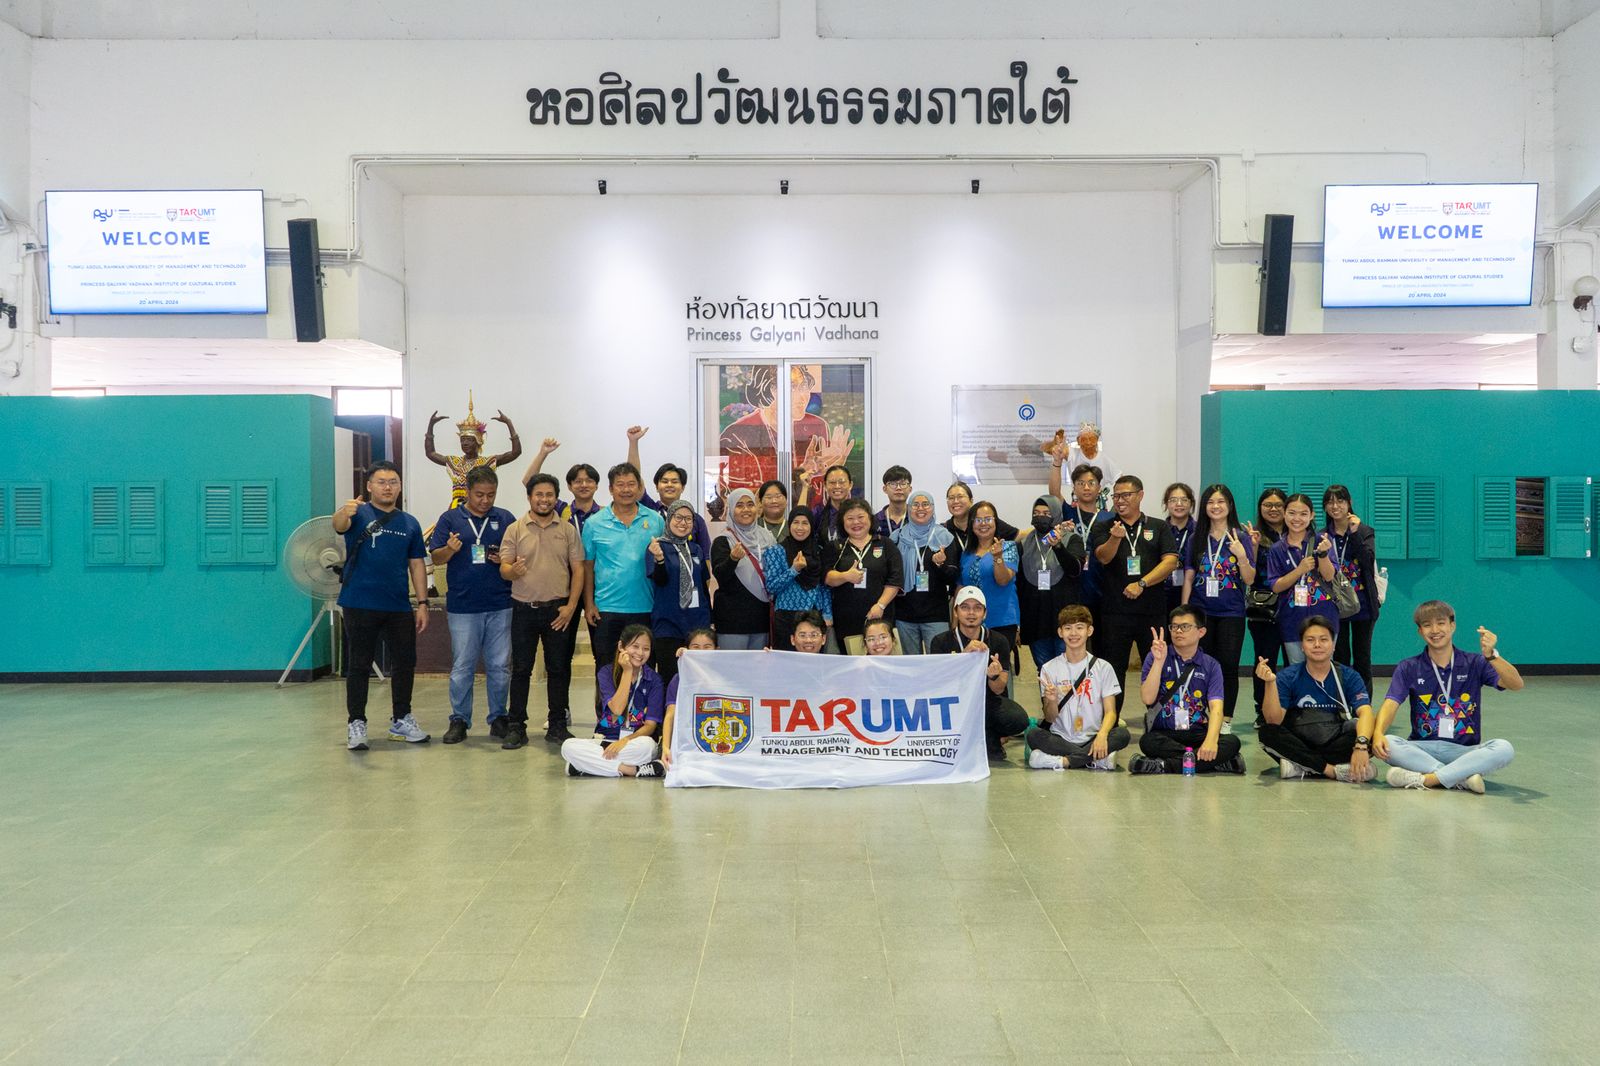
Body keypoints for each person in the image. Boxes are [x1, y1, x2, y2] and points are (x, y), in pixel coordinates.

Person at [1373, 600, 1524, 793]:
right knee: (1389, 743)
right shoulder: (1408, 667)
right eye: (1427, 625)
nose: (1435, 630)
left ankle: (1428, 779)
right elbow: (1391, 703)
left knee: (1504, 748)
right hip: (1422, 749)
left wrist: (1491, 656)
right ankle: (1461, 778)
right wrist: (1378, 733)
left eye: (1441, 623)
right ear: (1420, 631)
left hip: (1464, 751)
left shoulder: (1474, 662)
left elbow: (1516, 684)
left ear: (1452, 626)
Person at [333, 462, 430, 749]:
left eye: (393, 482)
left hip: (398, 606)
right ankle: (356, 723)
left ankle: (401, 719)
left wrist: (422, 603)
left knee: (404, 663)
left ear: (399, 486)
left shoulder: (410, 523)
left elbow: (416, 564)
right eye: (381, 482)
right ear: (369, 486)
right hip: (359, 602)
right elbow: (338, 526)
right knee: (359, 664)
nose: (388, 487)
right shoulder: (358, 513)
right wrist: (343, 511)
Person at [427, 466, 517, 745]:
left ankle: (499, 717)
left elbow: (516, 557)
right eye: (479, 495)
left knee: (500, 666)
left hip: (500, 603)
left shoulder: (505, 518)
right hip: (463, 606)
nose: (485, 500)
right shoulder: (450, 518)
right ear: (467, 492)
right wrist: (450, 550)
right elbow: (436, 558)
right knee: (463, 666)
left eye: (491, 495)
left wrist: (504, 560)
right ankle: (459, 719)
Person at [498, 472, 585, 749]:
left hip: (558, 611)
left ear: (556, 498)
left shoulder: (568, 530)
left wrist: (571, 607)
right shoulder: (515, 529)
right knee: (521, 669)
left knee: (558, 668)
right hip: (523, 609)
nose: (544, 499)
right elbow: (504, 568)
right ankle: (516, 726)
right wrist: (513, 571)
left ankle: (557, 725)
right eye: (539, 494)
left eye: (549, 495)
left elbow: (578, 570)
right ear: (529, 497)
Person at [1089, 475, 1180, 712]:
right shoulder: (1104, 526)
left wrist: (1142, 583)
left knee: (1156, 666)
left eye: (1126, 495)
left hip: (1151, 612)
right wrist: (1114, 538)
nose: (1120, 501)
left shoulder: (1158, 526)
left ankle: (1159, 718)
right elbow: (1103, 557)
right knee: (1113, 669)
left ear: (1140, 495)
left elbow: (1170, 562)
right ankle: (1111, 720)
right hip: (1114, 612)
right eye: (1116, 496)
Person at [1255, 616, 1375, 782]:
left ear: (1333, 645)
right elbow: (1273, 720)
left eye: (1323, 640)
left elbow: (1366, 712)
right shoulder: (1287, 676)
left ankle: (1300, 765)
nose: (1317, 645)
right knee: (1268, 732)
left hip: (1333, 741)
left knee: (1372, 734)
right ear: (1302, 646)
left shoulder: (1349, 676)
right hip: (1299, 741)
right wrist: (1270, 683)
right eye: (1310, 640)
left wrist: (1361, 746)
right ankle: (1331, 770)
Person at [1130, 607, 1246, 774]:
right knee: (1148, 742)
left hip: (1197, 732)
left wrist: (1210, 741)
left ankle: (1163, 765)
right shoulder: (1156, 656)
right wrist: (1158, 662)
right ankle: (1212, 763)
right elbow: (1147, 699)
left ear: (1201, 632)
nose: (1178, 631)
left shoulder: (1211, 665)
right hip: (1164, 732)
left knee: (1232, 742)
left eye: (1185, 627)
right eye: (1174, 626)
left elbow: (1216, 708)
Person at [580, 462, 665, 671]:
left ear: (639, 487)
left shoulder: (655, 520)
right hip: (606, 609)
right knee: (606, 668)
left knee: (643, 667)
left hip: (645, 607)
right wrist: (589, 604)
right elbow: (588, 567)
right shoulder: (594, 523)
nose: (626, 489)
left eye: (631, 484)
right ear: (611, 489)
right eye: (620, 484)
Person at [930, 587, 1030, 762]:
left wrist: (993, 676)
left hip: (987, 700)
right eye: (965, 607)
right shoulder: (940, 641)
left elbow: (998, 689)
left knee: (1018, 719)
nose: (971, 613)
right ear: (955, 612)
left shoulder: (999, 640)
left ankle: (991, 736)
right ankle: (981, 740)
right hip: (954, 701)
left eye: (977, 608)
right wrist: (964, 657)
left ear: (984, 613)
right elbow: (940, 684)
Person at [1025, 605, 1128, 771]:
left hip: (1093, 737)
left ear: (1090, 631)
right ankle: (1095, 760)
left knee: (1122, 734)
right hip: (1060, 738)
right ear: (1060, 632)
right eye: (1068, 628)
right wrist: (1051, 701)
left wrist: (1102, 735)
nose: (1073, 633)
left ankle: (1063, 762)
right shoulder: (1049, 668)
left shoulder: (1103, 667)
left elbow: (1110, 712)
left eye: (1079, 627)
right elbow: (1050, 718)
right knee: (1034, 735)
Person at [1190, 484, 1257, 735]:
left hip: (1231, 612)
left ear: (1229, 505)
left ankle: (1225, 719)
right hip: (1201, 612)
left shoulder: (1240, 537)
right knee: (1202, 666)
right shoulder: (1196, 538)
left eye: (1220, 501)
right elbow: (1189, 576)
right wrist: (1185, 613)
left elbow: (1249, 578)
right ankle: (1203, 716)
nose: (1215, 506)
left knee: (1228, 666)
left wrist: (1242, 556)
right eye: (1210, 502)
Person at [561, 625, 665, 779]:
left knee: (648, 747)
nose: (640, 653)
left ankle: (587, 766)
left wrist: (625, 741)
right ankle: (632, 770)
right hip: (604, 741)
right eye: (635, 646)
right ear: (621, 646)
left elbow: (650, 726)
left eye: (646, 649)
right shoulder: (606, 673)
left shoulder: (654, 680)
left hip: (633, 742)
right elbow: (617, 709)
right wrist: (627, 671)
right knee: (568, 746)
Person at [1264, 493, 1338, 664]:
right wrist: (1300, 570)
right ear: (1284, 514)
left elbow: (1329, 576)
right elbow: (1275, 586)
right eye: (1292, 513)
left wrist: (1323, 554)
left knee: (1323, 667)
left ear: (1312, 515)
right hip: (1292, 619)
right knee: (1296, 669)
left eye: (1303, 514)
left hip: (1324, 615)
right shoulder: (1277, 549)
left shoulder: (1322, 540)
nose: (1297, 519)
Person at [1015, 494, 1084, 671]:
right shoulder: (1024, 543)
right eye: (1036, 513)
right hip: (1035, 621)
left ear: (1056, 514)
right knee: (1044, 671)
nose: (1040, 517)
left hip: (1065, 620)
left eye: (1046, 513)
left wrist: (1058, 547)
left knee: (1068, 670)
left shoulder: (1072, 539)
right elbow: (1019, 584)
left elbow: (1075, 570)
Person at [825, 498, 903, 655]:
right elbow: (827, 577)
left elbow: (895, 580)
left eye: (860, 517)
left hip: (880, 616)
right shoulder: (836, 547)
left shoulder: (885, 544)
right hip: (846, 618)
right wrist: (846, 576)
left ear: (870, 518)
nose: (856, 522)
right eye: (850, 518)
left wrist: (880, 606)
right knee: (851, 663)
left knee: (882, 659)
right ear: (842, 521)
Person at [1323, 485, 1381, 693]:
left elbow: (1367, 561)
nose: (1335, 506)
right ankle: (1343, 702)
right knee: (1339, 656)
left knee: (1362, 657)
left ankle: (1363, 704)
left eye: (1340, 501)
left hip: (1363, 604)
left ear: (1349, 503)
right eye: (1330, 502)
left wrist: (1354, 533)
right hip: (1334, 603)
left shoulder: (1364, 531)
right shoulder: (1323, 536)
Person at [646, 500, 712, 682]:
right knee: (671, 679)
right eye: (678, 517)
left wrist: (710, 620)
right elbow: (659, 580)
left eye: (688, 519)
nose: (683, 523)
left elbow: (703, 586)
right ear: (669, 519)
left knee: (698, 679)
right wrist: (659, 559)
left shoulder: (696, 549)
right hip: (668, 624)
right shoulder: (657, 547)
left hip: (697, 624)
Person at [626, 425, 713, 558]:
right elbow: (633, 477)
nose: (669, 485)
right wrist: (633, 442)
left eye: (675, 481)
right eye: (665, 481)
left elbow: (706, 556)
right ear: (657, 486)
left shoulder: (694, 519)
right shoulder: (649, 510)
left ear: (683, 487)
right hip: (655, 570)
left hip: (687, 571)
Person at [1050, 462, 1111, 650]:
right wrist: (1057, 463)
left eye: (1091, 483)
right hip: (1071, 587)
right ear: (1074, 487)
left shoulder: (1108, 518)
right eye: (1081, 483)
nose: (1086, 487)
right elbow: (1054, 492)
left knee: (1100, 645)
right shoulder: (1068, 512)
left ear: (1099, 488)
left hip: (1099, 587)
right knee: (1072, 643)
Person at [889, 491, 958, 654]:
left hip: (936, 615)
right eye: (916, 504)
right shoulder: (897, 538)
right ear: (908, 508)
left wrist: (940, 565)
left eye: (926, 504)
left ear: (932, 508)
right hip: (904, 615)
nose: (921, 508)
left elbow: (953, 578)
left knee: (937, 663)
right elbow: (891, 576)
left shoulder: (944, 537)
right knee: (910, 665)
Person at [424, 394, 522, 508]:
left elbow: (515, 452)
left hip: (481, 509)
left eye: (469, 440)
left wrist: (509, 423)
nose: (465, 443)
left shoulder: (487, 462)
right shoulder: (454, 462)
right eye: (462, 440)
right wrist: (431, 426)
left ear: (478, 441)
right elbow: (430, 453)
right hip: (457, 510)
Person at [711, 488, 776, 649]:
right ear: (731, 510)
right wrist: (732, 559)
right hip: (732, 622)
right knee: (732, 665)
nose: (746, 509)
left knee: (759, 665)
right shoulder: (723, 540)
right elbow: (720, 576)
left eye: (750, 504)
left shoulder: (768, 538)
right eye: (739, 505)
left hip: (761, 618)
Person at [764, 507, 833, 653]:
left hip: (815, 615)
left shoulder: (819, 550)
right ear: (789, 525)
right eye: (796, 522)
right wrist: (794, 570)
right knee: (786, 662)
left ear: (811, 526)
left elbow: (824, 585)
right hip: (786, 616)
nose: (800, 527)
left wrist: (827, 613)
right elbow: (771, 587)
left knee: (814, 662)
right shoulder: (776, 551)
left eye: (805, 523)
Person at [961, 501, 1021, 668]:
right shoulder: (966, 553)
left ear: (996, 521)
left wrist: (997, 557)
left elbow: (1003, 580)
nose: (983, 524)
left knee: (997, 669)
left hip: (1001, 620)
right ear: (971, 524)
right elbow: (961, 588)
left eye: (988, 519)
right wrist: (955, 622)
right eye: (978, 520)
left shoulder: (1008, 547)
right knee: (973, 670)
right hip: (971, 622)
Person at [1247, 487, 1288, 723]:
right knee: (1265, 659)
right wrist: (1252, 546)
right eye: (1267, 505)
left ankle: (1292, 708)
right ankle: (1262, 710)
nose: (1273, 509)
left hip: (1293, 607)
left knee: (1294, 660)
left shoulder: (1299, 533)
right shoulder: (1254, 535)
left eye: (1278, 505)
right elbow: (1247, 573)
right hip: (1263, 608)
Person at [659, 627, 718, 769]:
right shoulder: (679, 679)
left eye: (707, 647)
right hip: (688, 739)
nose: (701, 652)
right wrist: (665, 748)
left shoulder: (726, 676)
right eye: (695, 647)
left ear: (717, 650)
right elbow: (670, 715)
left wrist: (767, 658)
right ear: (687, 649)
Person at [521, 438, 602, 530]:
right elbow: (529, 482)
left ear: (596, 486)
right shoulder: (561, 510)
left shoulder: (606, 514)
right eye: (578, 481)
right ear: (569, 486)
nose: (584, 485)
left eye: (589, 481)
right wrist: (543, 453)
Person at [943, 480, 1019, 557]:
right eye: (951, 498)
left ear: (971, 501)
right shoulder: (943, 530)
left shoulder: (987, 524)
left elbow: (1019, 535)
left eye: (960, 496)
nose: (956, 501)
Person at [1062, 422, 1119, 510]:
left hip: (1098, 504)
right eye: (1084, 439)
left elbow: (1119, 479)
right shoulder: (1072, 454)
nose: (1088, 443)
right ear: (1078, 441)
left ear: (1097, 440)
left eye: (1091, 439)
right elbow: (1056, 450)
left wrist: (1117, 501)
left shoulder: (1105, 459)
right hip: (1078, 502)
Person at [1161, 482, 1199, 613]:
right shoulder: (1159, 530)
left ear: (1191, 503)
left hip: (1193, 593)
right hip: (1162, 593)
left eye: (1184, 500)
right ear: (1166, 503)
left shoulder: (1200, 531)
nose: (1179, 504)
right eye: (1173, 500)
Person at [803, 464, 856, 551]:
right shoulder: (818, 513)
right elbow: (800, 518)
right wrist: (805, 487)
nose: (837, 486)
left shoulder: (859, 513)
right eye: (832, 482)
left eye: (842, 482)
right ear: (825, 485)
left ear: (850, 485)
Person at [875, 465, 913, 538]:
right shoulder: (875, 520)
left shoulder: (917, 518)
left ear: (910, 489)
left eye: (903, 484)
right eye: (893, 484)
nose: (898, 488)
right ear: (885, 489)